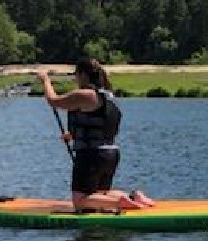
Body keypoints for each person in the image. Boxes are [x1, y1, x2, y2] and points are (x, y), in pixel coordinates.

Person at [37, 58, 155, 214]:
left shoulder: (85, 94)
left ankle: (119, 202)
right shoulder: (109, 96)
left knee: (80, 202)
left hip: (91, 155)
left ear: (84, 75)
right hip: (111, 153)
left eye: (76, 75)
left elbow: (54, 101)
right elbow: (99, 125)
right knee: (98, 195)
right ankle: (133, 197)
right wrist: (73, 136)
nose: (76, 79)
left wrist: (45, 80)